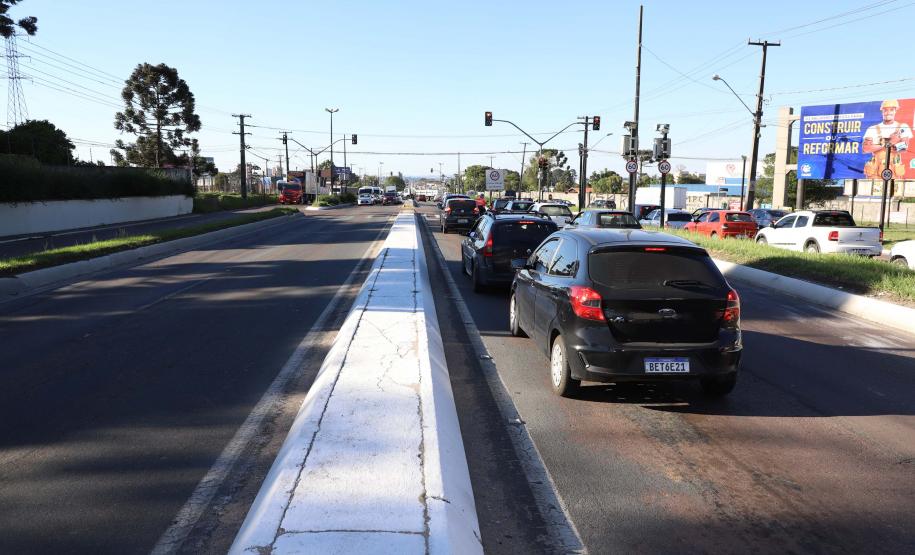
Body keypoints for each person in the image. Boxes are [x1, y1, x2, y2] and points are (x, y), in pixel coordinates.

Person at [862, 99, 912, 179]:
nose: (888, 112)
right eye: (885, 110)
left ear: (895, 111)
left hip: (894, 171)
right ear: (882, 111)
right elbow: (866, 148)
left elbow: (903, 148)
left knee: (894, 187)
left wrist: (877, 146)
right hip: (875, 172)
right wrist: (891, 142)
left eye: (891, 110)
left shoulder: (903, 127)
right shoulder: (872, 129)